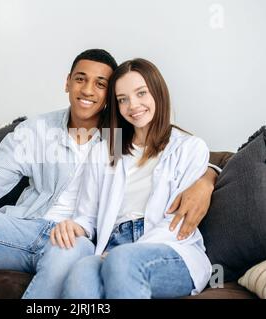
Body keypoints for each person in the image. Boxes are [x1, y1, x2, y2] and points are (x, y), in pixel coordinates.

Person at [0, 50, 218, 299]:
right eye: (80, 79)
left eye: (100, 84)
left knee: (72, 257)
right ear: (67, 83)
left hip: (75, 242)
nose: (88, 90)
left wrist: (209, 176)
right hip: (25, 226)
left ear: (108, 96)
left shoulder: (115, 141)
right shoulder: (38, 131)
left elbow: (174, 154)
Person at [61, 58, 212, 299]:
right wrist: (75, 226)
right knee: (80, 272)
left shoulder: (190, 148)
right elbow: (87, 215)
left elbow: (177, 223)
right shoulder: (103, 151)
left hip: (170, 249)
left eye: (141, 93)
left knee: (122, 261)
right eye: (123, 99)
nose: (133, 105)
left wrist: (130, 250)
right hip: (111, 247)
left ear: (158, 93)